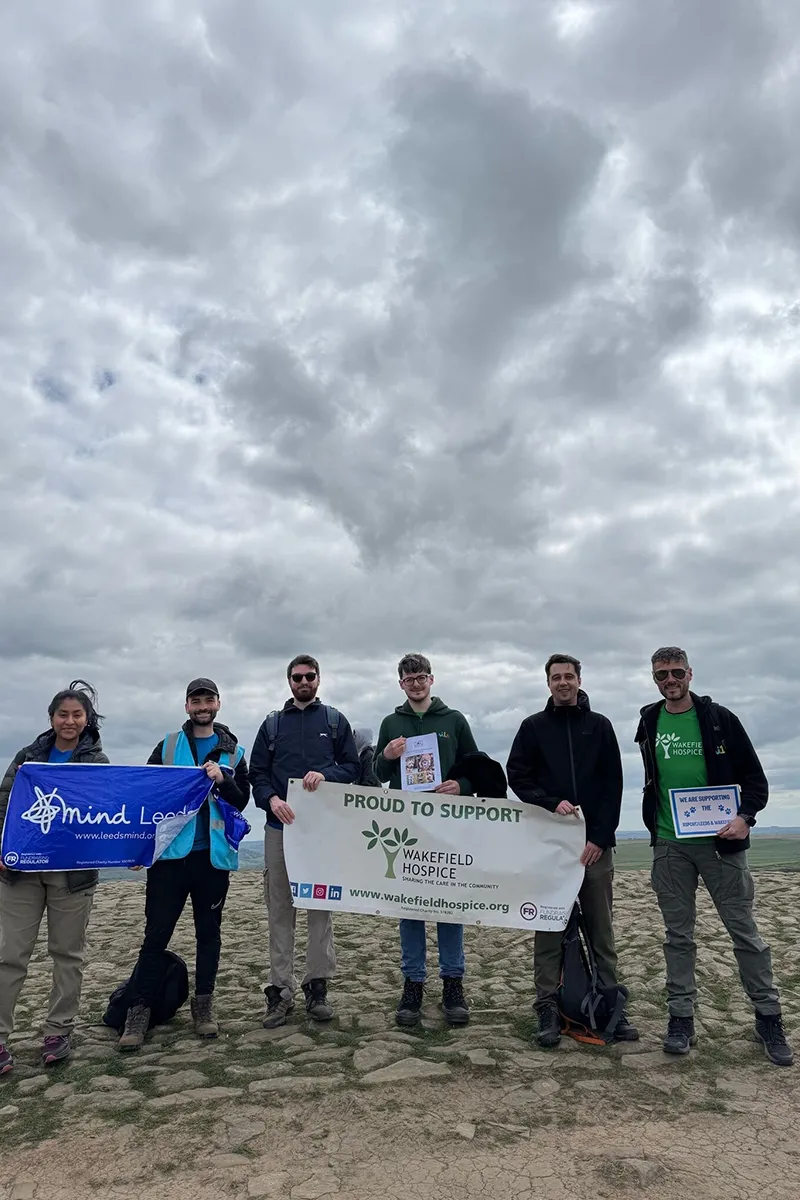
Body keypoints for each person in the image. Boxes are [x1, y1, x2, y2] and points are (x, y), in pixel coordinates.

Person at [636, 647, 793, 1066]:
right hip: (670, 844)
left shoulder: (720, 719)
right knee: (678, 937)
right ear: (653, 678)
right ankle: (681, 1019)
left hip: (721, 845)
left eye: (675, 672)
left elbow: (755, 780)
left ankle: (768, 1017)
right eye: (660, 674)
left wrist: (746, 818)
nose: (669, 679)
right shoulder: (648, 720)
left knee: (744, 932)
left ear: (690, 673)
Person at [506, 655, 638, 1048]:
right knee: (549, 928)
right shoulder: (532, 727)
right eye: (556, 677)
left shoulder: (600, 726)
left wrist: (600, 837)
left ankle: (610, 1003)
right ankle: (547, 1006)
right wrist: (549, 802)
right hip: (549, 848)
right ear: (547, 683)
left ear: (580, 680)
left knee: (601, 930)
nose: (563, 683)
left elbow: (613, 784)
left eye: (569, 676)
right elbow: (517, 776)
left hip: (595, 848)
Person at [118, 678, 250, 1051]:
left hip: (213, 858)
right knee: (156, 935)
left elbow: (241, 800)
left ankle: (204, 1006)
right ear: (187, 706)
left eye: (208, 699)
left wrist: (223, 779)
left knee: (208, 934)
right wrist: (137, 847)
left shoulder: (235, 752)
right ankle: (139, 1010)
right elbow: (146, 793)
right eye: (196, 700)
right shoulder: (169, 745)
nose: (202, 706)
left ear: (218, 704)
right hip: (170, 858)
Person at [0, 681, 108, 1072]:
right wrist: (1, 847)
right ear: (51, 718)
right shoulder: (28, 757)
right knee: (9, 955)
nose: (69, 720)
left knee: (67, 955)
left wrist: (130, 848)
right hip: (20, 873)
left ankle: (58, 1032)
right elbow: (4, 805)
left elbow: (112, 814)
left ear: (86, 720)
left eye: (77, 714)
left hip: (72, 877)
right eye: (63, 714)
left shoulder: (97, 763)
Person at [250, 656, 359, 1028]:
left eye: (309, 676)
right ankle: (280, 991)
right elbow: (258, 775)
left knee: (319, 908)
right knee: (280, 910)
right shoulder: (271, 724)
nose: (303, 682)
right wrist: (271, 799)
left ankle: (317, 987)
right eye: (297, 677)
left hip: (322, 832)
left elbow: (352, 768)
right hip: (279, 829)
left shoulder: (334, 720)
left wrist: (325, 775)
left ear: (318, 679)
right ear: (288, 681)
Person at [373, 653, 479, 1028]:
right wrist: (386, 754)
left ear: (432, 680)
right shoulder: (391, 722)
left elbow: (476, 766)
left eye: (421, 677)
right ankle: (413, 984)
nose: (416, 684)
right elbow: (377, 774)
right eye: (408, 679)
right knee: (411, 906)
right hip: (407, 827)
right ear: (400, 684)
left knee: (448, 904)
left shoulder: (454, 720)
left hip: (449, 827)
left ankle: (453, 983)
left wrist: (462, 785)